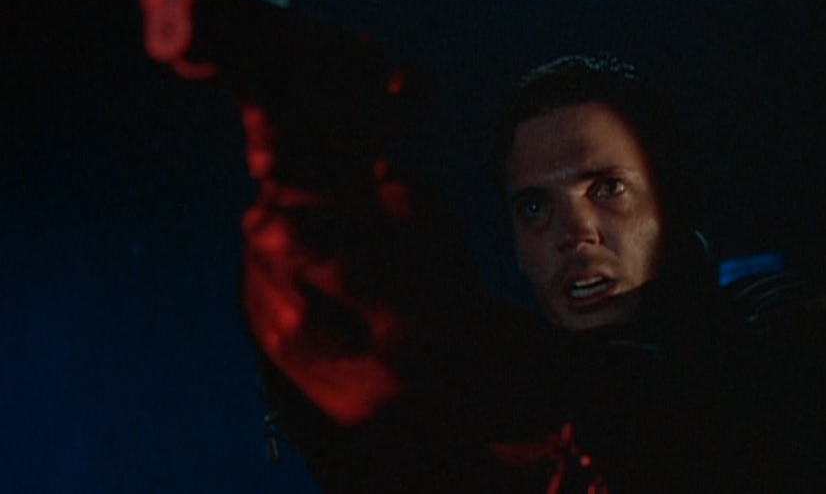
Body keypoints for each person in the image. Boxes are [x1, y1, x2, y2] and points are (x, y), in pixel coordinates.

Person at [240, 55, 825, 492]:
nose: (574, 232)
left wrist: (458, 343)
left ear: (672, 204)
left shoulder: (775, 325)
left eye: (607, 188)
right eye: (535, 206)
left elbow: (718, 407)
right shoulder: (495, 422)